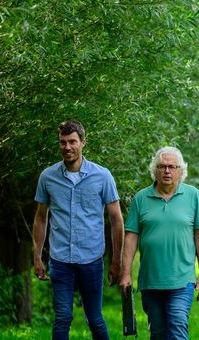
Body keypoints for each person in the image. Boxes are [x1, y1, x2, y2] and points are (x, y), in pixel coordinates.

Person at [32, 120, 124, 340]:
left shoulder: (102, 176)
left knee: (95, 319)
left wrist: (116, 261)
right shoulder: (48, 177)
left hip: (91, 260)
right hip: (60, 259)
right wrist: (37, 256)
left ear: (83, 142)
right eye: (63, 142)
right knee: (62, 317)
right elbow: (40, 218)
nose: (67, 147)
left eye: (72, 141)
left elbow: (116, 220)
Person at [120, 146, 199, 340]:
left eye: (172, 166)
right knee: (158, 332)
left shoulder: (193, 195)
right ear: (155, 170)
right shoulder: (141, 198)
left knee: (177, 326)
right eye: (162, 166)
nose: (167, 171)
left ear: (181, 170)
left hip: (182, 279)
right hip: (151, 280)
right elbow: (130, 237)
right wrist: (125, 273)